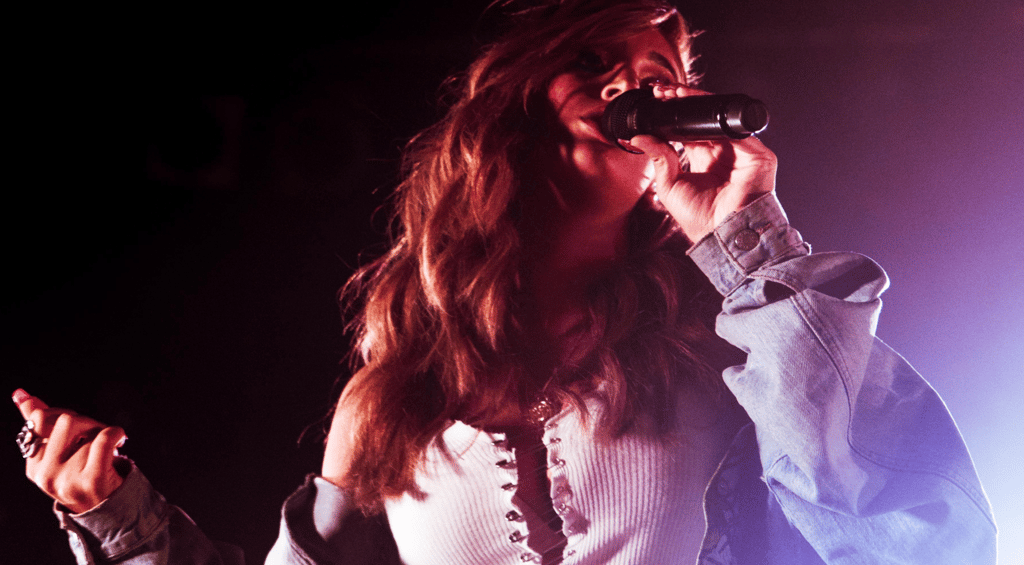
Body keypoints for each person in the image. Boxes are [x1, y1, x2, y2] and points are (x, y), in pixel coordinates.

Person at [13, 0, 997, 563]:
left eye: (659, 70)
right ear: (518, 103)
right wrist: (121, 519)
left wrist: (744, 238)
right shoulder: (392, 399)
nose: (632, 82)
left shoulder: (730, 345)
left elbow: (915, 535)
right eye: (596, 59)